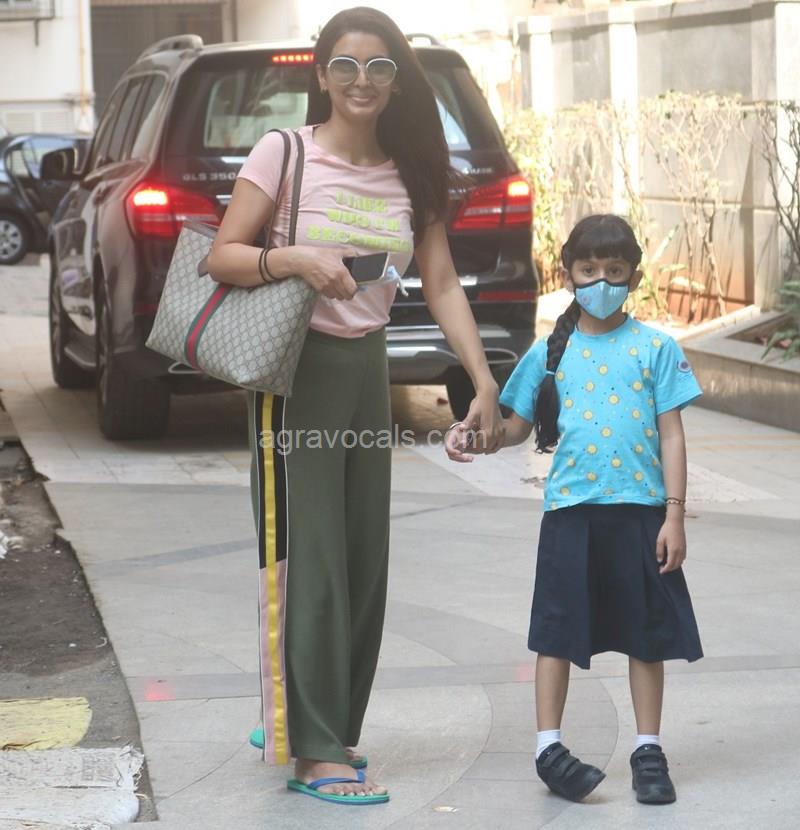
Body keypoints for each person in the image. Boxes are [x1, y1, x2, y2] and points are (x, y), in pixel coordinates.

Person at [206, 6, 504, 806]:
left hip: (367, 366)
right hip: (296, 370)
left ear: (397, 81)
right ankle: (312, 750)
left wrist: (482, 380)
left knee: (364, 557)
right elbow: (222, 256)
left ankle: (325, 721)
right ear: (322, 73)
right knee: (310, 555)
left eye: (379, 67)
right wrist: (295, 259)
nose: (361, 81)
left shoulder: (410, 172)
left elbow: (440, 282)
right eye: (346, 65)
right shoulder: (284, 152)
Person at [446, 214, 703, 805]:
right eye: (589, 270)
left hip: (640, 514)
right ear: (568, 275)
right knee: (556, 632)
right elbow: (514, 427)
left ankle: (648, 749)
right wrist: (474, 435)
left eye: (614, 270)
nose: (601, 282)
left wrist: (674, 514)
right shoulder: (548, 353)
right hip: (570, 514)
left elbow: (672, 435)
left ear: (633, 275)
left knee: (646, 635)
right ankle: (548, 748)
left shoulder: (656, 349)